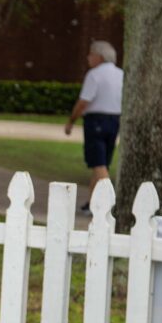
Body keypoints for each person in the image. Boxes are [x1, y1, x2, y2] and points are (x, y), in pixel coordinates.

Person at [64, 40, 123, 211]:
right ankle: (92, 202)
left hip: (96, 120)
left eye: (91, 54)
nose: (88, 58)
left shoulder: (94, 75)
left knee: (98, 164)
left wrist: (71, 121)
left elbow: (84, 102)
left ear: (99, 57)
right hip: (114, 120)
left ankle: (108, 201)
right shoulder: (121, 74)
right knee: (102, 163)